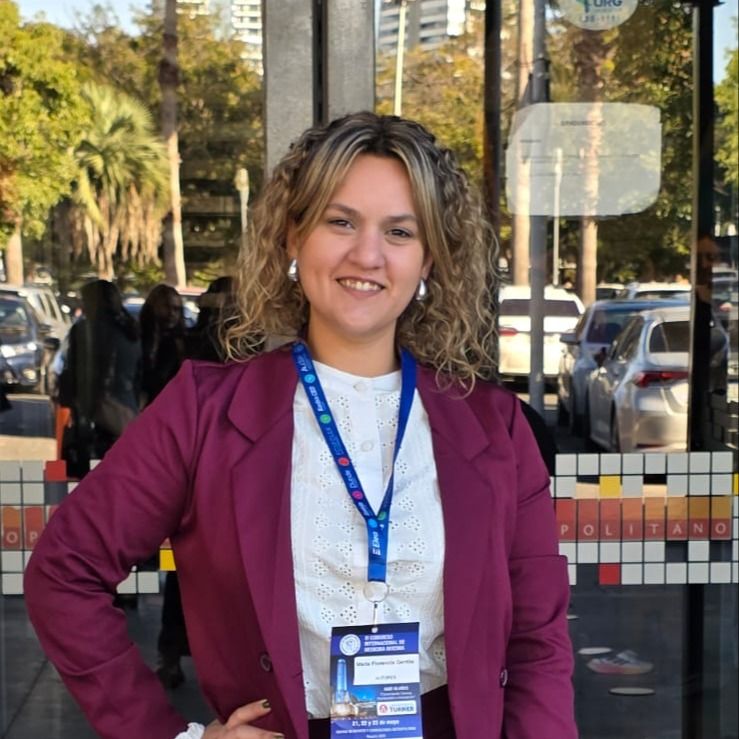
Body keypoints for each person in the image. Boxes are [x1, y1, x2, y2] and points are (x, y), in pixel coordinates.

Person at [24, 112, 576, 739]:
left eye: (400, 231)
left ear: (429, 260)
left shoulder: (496, 427)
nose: (367, 254)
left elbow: (538, 641)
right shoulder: (204, 412)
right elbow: (63, 573)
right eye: (340, 222)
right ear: (293, 236)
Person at [57, 279, 141, 478]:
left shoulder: (86, 331)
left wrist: (68, 401)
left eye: (85, 300)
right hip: (127, 411)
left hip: (95, 414)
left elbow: (77, 373)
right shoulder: (131, 331)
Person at [140, 284, 187, 407]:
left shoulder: (181, 341)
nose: (172, 314)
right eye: (166, 307)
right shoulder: (139, 337)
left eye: (176, 309)